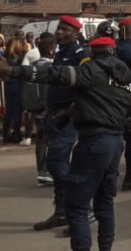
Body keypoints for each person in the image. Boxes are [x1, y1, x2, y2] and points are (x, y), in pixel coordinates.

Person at [0, 36, 131, 251]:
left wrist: (13, 71)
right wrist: (126, 123)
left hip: (93, 143)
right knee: (105, 203)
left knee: (77, 206)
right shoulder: (127, 80)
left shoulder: (90, 72)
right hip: (115, 142)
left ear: (93, 53)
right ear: (113, 52)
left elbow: (53, 74)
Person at [33, 16, 89, 231]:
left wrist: (69, 110)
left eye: (65, 30)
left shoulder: (80, 55)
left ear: (76, 33)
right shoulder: (62, 53)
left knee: (57, 163)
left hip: (68, 115)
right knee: (56, 164)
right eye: (58, 29)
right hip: (54, 112)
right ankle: (62, 212)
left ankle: (80, 208)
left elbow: (84, 87)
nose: (59, 33)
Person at [99, 17, 131, 192]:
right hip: (130, 95)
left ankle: (107, 176)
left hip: (106, 97)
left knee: (108, 137)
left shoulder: (98, 51)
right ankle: (129, 177)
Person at [23, 33, 56, 186]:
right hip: (49, 108)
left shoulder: (33, 66)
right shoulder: (52, 67)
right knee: (53, 140)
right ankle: (48, 171)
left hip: (35, 108)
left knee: (41, 141)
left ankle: (41, 171)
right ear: (51, 50)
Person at [2, 37, 27, 144]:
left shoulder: (5, 58)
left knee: (9, 112)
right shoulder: (21, 59)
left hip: (8, 86)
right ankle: (16, 134)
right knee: (17, 111)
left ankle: (5, 133)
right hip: (18, 85)